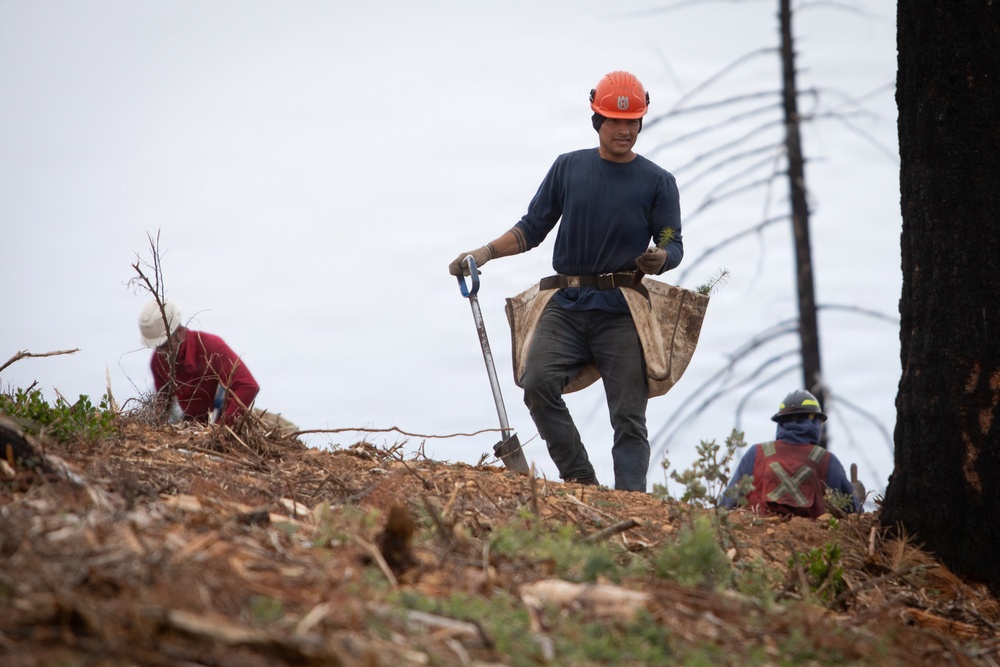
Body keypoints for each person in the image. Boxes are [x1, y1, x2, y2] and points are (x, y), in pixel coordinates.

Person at [448, 71, 683, 492]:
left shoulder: (658, 181)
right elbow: (531, 228)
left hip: (621, 311)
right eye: (615, 121)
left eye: (632, 122)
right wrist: (483, 253)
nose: (625, 130)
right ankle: (580, 479)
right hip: (567, 306)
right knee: (537, 383)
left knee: (629, 417)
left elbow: (674, 244)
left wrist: (660, 257)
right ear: (597, 120)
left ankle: (632, 502)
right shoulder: (568, 167)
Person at [720, 390, 862, 517]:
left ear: (780, 423)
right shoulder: (826, 460)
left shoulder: (756, 454)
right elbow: (852, 511)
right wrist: (857, 494)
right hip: (810, 538)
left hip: (754, 536)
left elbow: (727, 503)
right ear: (813, 422)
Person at [138, 300, 259, 426]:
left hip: (226, 423)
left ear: (179, 331)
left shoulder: (211, 347)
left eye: (164, 344)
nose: (162, 352)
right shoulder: (158, 361)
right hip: (194, 426)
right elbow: (162, 404)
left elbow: (248, 386)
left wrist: (219, 428)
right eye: (157, 346)